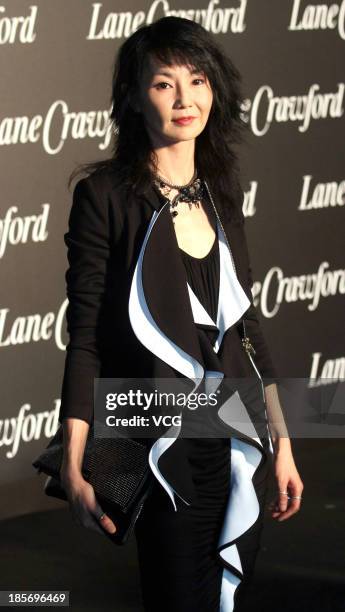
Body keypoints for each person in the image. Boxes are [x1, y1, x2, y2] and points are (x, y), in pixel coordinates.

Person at [58, 16, 304, 612]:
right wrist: (72, 462)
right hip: (156, 433)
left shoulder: (223, 191)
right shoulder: (105, 197)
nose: (185, 98)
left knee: (221, 595)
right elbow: (85, 336)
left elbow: (245, 327)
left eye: (197, 80)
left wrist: (284, 442)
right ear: (135, 98)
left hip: (230, 428)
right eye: (164, 83)